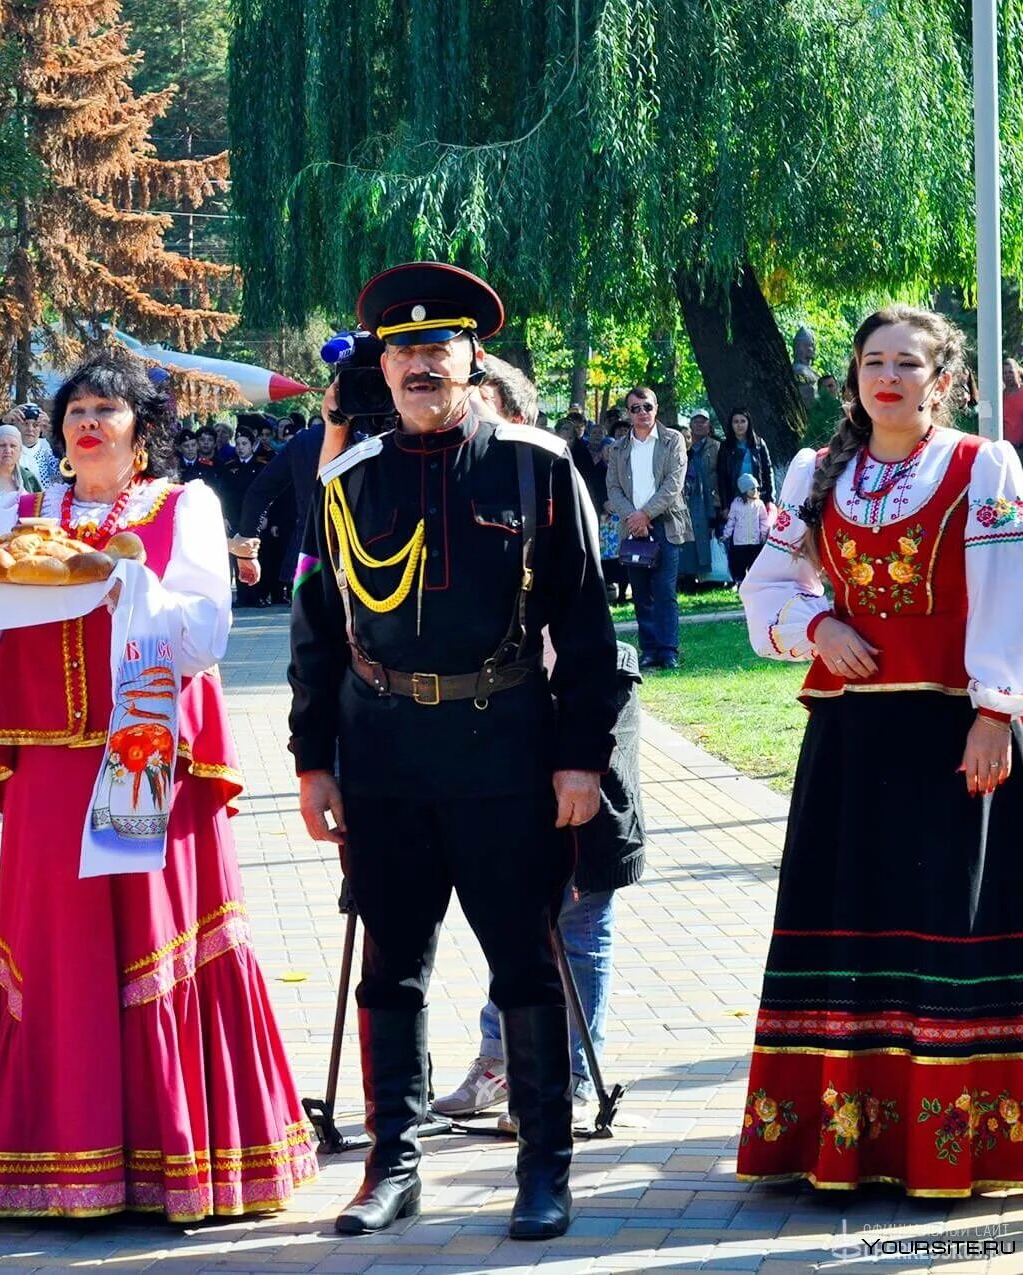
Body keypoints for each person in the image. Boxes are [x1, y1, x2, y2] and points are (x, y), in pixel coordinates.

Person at [0, 350, 318, 1221]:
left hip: (146, 750)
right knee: (54, 944)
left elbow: (204, 638)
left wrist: (124, 582)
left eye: (106, 409)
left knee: (156, 933)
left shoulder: (184, 507)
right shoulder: (19, 512)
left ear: (142, 431)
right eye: (75, 410)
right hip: (47, 763)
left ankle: (179, 1160)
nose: (87, 423)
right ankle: (54, 1163)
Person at [289, 263, 618, 1240]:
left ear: (475, 358)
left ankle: (543, 1169)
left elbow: (589, 628)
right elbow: (318, 627)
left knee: (523, 961)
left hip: (504, 752)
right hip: (383, 755)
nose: (422, 364)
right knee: (390, 971)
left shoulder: (534, 468)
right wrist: (313, 762)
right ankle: (392, 1167)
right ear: (382, 368)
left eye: (440, 347)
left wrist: (582, 759)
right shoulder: (347, 483)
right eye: (405, 351)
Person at [736, 304, 1023, 1195]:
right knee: (847, 921)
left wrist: (996, 710)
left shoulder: (985, 467)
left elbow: (1008, 594)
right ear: (853, 377)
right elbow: (765, 587)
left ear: (943, 381)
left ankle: (952, 1144)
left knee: (948, 924)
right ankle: (842, 1140)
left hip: (949, 731)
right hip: (852, 740)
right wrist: (815, 622)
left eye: (908, 363)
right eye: (873, 362)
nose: (888, 377)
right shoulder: (817, 471)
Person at [431, 357, 646, 1135]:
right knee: (515, 915)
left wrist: (582, 754)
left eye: (480, 412)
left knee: (580, 913)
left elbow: (590, 637)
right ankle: (502, 1061)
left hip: (579, 726)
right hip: (503, 742)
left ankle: (574, 1079)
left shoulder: (551, 484)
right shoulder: (449, 489)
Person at [605, 387, 690, 669]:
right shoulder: (617, 448)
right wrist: (634, 518)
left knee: (664, 591)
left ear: (656, 408)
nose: (642, 413)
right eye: (635, 408)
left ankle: (668, 651)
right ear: (628, 413)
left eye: (647, 407)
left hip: (665, 525)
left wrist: (646, 515)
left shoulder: (672, 440)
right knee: (641, 593)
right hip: (633, 530)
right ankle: (650, 650)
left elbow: (673, 485)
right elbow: (613, 488)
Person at [679, 413, 720, 585]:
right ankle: (686, 578)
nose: (699, 425)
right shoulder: (676, 455)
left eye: (702, 421)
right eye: (695, 421)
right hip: (682, 505)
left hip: (703, 502)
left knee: (703, 542)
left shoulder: (716, 447)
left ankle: (706, 578)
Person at [715, 409, 776, 510]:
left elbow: (768, 472)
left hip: (757, 498)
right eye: (736, 422)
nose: (739, 425)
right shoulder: (725, 447)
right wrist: (725, 506)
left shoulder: (759, 444)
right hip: (735, 499)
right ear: (731, 424)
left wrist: (770, 499)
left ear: (749, 423)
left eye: (743, 421)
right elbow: (721, 478)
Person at [722, 474, 769, 585]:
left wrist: (763, 533)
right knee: (740, 564)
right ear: (744, 490)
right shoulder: (736, 504)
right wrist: (726, 534)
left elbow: (763, 519)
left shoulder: (759, 504)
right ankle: (740, 582)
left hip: (754, 541)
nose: (756, 491)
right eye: (752, 488)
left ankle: (754, 583)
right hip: (740, 542)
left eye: (757, 488)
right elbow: (731, 521)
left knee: (754, 563)